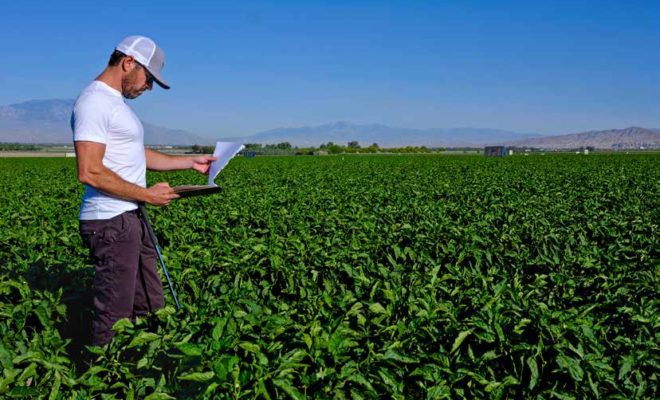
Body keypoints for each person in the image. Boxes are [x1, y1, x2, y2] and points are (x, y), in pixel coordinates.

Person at [71, 35, 216, 346]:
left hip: (131, 216)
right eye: (148, 79)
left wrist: (190, 162)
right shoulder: (94, 101)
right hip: (111, 220)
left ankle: (144, 362)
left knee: (150, 302)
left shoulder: (115, 104)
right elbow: (89, 170)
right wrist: (147, 194)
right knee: (115, 316)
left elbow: (137, 154)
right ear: (128, 63)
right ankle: (104, 370)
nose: (148, 87)